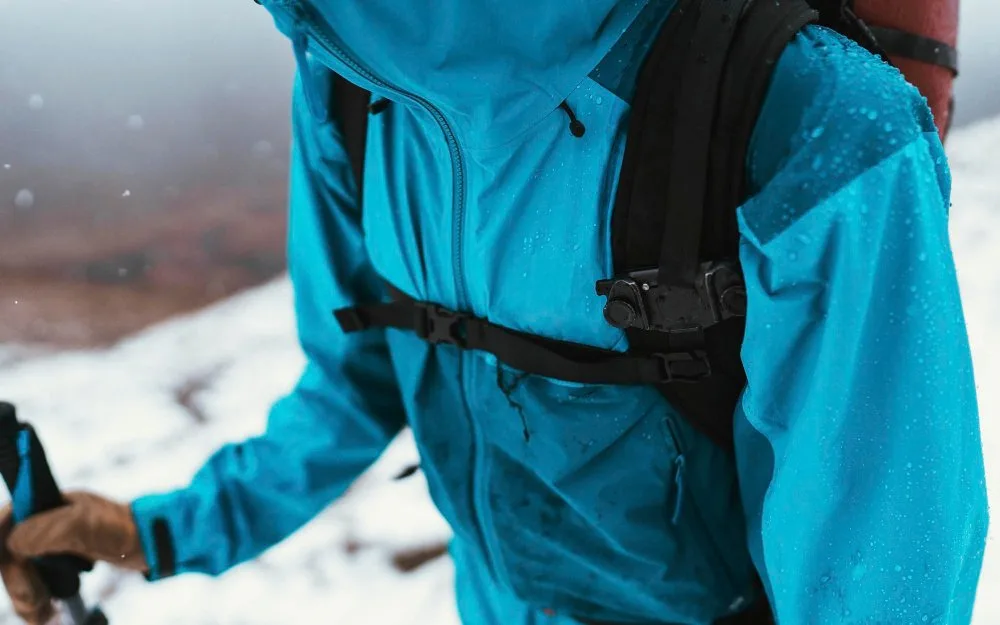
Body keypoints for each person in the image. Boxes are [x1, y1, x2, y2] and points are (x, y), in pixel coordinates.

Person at [0, 0, 988, 623]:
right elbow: (358, 376)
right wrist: (167, 529)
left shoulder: (815, 120)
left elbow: (881, 579)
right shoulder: (350, 81)